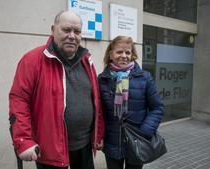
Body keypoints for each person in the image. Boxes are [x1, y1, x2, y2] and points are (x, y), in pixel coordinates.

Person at [8, 10, 104, 169]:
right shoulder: (32, 60)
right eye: (66, 30)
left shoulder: (87, 60)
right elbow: (19, 100)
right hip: (51, 152)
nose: (72, 36)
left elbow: (95, 101)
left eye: (77, 32)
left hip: (84, 147)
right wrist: (23, 140)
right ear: (53, 30)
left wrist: (98, 134)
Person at [98, 36, 164, 169]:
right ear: (111, 55)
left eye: (127, 52)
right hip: (112, 142)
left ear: (132, 55)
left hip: (137, 141)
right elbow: (98, 112)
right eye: (119, 52)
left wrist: (145, 132)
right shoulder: (102, 79)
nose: (124, 56)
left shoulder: (144, 77)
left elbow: (157, 108)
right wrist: (99, 136)